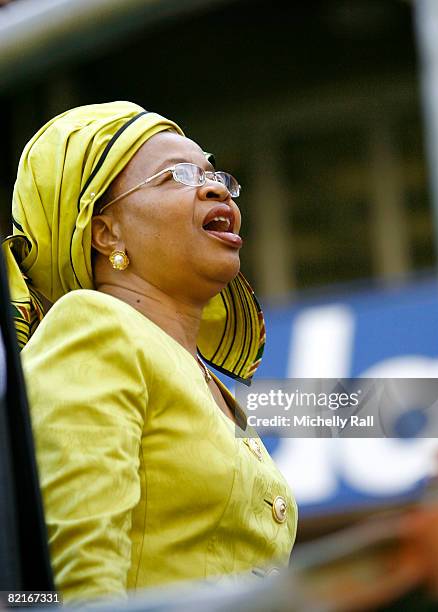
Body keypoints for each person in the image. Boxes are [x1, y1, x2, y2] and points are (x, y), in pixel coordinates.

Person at [2, 102, 297, 604]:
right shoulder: (92, 328)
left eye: (212, 173)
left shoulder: (210, 385)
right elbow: (78, 578)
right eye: (172, 177)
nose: (214, 187)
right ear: (105, 232)